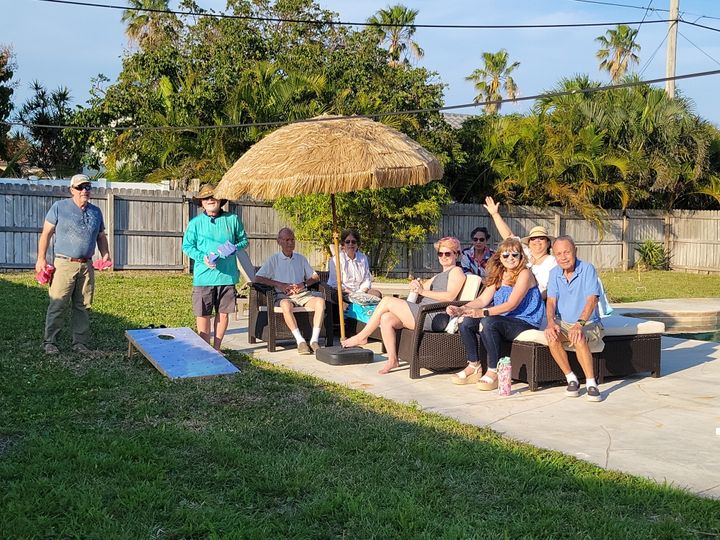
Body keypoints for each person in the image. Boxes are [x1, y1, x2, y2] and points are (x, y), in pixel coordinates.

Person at [341, 237, 466, 374]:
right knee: (387, 318)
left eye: (447, 253)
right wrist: (416, 285)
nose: (443, 257)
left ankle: (362, 336)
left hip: (433, 316)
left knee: (387, 301)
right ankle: (392, 360)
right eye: (440, 253)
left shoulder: (456, 272)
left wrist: (422, 291)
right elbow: (421, 288)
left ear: (457, 254)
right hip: (423, 312)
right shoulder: (439, 276)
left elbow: (450, 296)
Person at [448, 238, 544, 389]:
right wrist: (462, 309)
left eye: (514, 255)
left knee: (488, 321)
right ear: (500, 257)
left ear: (521, 257)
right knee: (466, 322)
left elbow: (511, 305)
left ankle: (494, 370)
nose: (510, 258)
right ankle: (474, 366)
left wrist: (482, 313)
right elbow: (482, 300)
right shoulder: (500, 274)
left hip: (524, 320)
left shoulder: (524, 274)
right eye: (506, 255)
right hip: (504, 318)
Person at [35, 174, 111, 355]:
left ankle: (80, 343)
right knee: (58, 303)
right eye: (80, 187)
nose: (84, 190)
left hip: (87, 266)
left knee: (83, 305)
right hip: (64, 264)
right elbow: (46, 234)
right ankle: (50, 342)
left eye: (87, 187)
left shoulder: (96, 211)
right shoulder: (59, 208)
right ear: (72, 190)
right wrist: (41, 259)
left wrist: (106, 255)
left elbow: (101, 236)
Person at [182, 184, 249, 350]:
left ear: (220, 200)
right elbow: (187, 246)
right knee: (203, 313)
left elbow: (244, 241)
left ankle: (217, 349)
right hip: (203, 277)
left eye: (213, 196)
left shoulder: (232, 220)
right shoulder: (195, 223)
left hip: (227, 276)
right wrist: (202, 257)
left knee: (223, 313)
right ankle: (205, 350)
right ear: (201, 203)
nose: (210, 200)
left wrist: (234, 248)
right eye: (206, 198)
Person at [545, 235, 604, 402]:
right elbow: (551, 301)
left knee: (578, 336)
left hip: (589, 323)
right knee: (551, 336)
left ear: (575, 251)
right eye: (558, 254)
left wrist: (579, 324)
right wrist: (550, 323)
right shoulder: (554, 273)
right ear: (554, 256)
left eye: (566, 252)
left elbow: (592, 299)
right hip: (564, 323)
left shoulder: (587, 269)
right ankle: (571, 378)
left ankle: (591, 383)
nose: (563, 257)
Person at [254, 227, 326, 355]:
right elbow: (258, 278)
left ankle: (314, 340)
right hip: (283, 296)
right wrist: (280, 284)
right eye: (287, 240)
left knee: (320, 302)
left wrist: (302, 284)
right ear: (279, 241)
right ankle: (300, 341)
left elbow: (315, 277)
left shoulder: (300, 258)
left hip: (302, 294)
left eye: (292, 239)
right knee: (286, 305)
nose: (290, 243)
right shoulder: (274, 259)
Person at [484, 196, 556, 296]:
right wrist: (495, 214)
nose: (537, 241)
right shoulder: (525, 253)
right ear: (529, 243)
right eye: (533, 239)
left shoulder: (553, 262)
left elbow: (550, 290)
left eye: (541, 238)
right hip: (513, 296)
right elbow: (508, 236)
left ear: (548, 243)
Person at [327, 228, 381, 299]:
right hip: (343, 292)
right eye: (347, 242)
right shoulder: (336, 259)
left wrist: (361, 292)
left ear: (357, 244)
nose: (350, 244)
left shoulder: (363, 258)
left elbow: (366, 279)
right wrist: (351, 293)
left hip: (360, 292)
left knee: (377, 294)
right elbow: (335, 283)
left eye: (353, 242)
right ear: (343, 244)